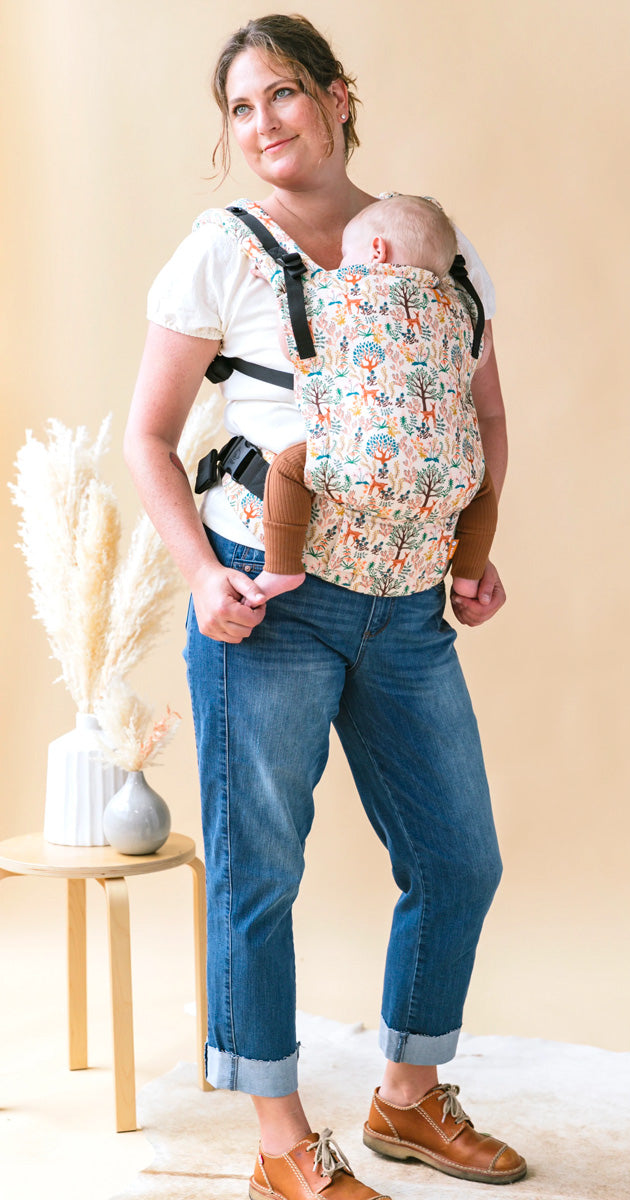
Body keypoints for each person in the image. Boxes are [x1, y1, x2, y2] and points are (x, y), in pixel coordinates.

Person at [124, 13, 522, 1200]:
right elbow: (146, 435)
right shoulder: (223, 251)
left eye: (283, 96)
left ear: (340, 97)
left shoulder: (434, 249)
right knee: (262, 874)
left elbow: (481, 415)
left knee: (458, 860)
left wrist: (471, 544)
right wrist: (203, 577)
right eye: (240, 111)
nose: (264, 127)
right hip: (269, 601)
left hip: (405, 609)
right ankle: (284, 1150)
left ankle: (406, 1101)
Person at [253, 193, 498, 604]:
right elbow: (480, 354)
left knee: (287, 469)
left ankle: (282, 569)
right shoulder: (460, 310)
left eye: (346, 255)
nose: (341, 265)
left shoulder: (338, 295)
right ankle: (469, 578)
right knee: (483, 490)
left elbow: (292, 342)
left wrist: (284, 298)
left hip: (361, 464)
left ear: (376, 251)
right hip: (449, 475)